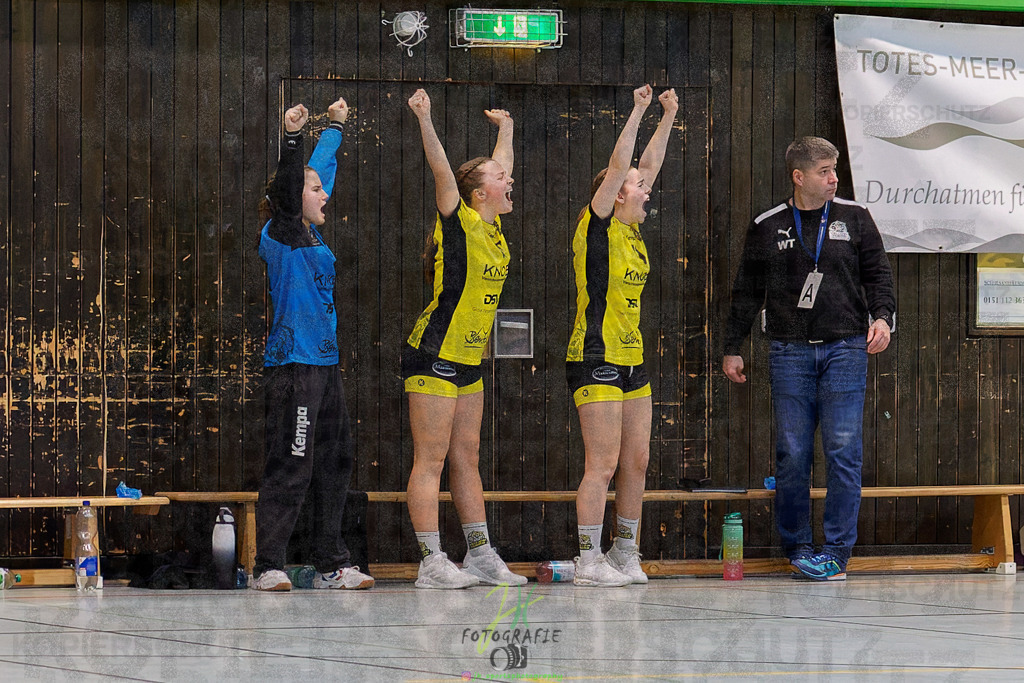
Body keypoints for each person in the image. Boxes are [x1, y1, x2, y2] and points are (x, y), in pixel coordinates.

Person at [722, 136, 895, 581]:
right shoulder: (768, 224)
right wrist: (731, 347)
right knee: (793, 453)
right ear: (799, 177)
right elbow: (745, 291)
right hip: (787, 351)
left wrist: (883, 319)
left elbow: (879, 275)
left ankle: (837, 552)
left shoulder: (856, 218)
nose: (834, 177)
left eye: (835, 169)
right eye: (824, 171)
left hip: (846, 349)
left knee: (842, 449)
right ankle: (798, 546)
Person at [402, 88, 526, 589]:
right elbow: (442, 170)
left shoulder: (494, 227)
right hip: (434, 352)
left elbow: (500, 163)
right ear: (478, 193)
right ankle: (432, 562)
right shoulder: (460, 219)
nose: (508, 178)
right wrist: (425, 117)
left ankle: (479, 555)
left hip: (470, 357)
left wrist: (507, 128)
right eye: (499, 179)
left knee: (467, 458)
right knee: (430, 459)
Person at [251, 98, 374, 591]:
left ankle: (331, 562)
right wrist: (291, 138)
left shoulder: (311, 235)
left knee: (335, 462)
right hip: (293, 367)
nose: (325, 195)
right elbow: (291, 187)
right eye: (315, 190)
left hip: (325, 367)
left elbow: (316, 174)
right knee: (293, 463)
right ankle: (269, 566)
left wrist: (336, 128)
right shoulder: (280, 233)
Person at [567, 85, 678, 587]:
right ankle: (588, 559)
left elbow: (647, 166)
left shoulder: (632, 230)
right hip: (595, 356)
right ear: (614, 193)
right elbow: (622, 165)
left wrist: (669, 114)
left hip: (633, 359)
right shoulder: (599, 224)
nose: (645, 188)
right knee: (603, 463)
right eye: (634, 185)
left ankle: (624, 553)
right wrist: (636, 110)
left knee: (637, 460)